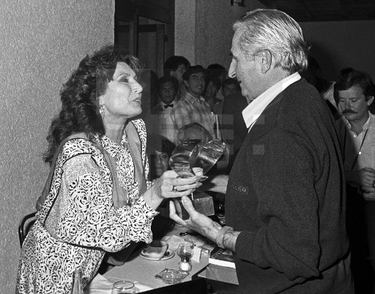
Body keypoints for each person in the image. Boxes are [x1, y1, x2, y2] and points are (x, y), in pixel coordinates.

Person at [170, 9, 353, 293]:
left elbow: (294, 252)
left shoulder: (282, 126)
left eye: (236, 58)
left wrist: (217, 234)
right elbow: (286, 186)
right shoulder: (302, 98)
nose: (231, 71)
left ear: (265, 59)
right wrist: (211, 182)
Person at [16, 45, 201, 294]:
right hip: (55, 268)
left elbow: (134, 200)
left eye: (136, 79)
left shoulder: (135, 132)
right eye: (125, 80)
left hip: (91, 265)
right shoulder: (79, 153)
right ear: (98, 97)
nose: (140, 87)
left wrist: (173, 182)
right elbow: (108, 234)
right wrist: (157, 193)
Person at [335, 70, 375, 293]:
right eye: (341, 100)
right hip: (344, 207)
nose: (346, 106)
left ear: (369, 99)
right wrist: (351, 176)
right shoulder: (332, 129)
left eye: (353, 100)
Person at [170, 65, 216, 144]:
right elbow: (188, 140)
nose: (200, 82)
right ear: (186, 82)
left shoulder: (205, 105)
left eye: (202, 79)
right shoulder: (182, 106)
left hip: (208, 153)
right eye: (195, 79)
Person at [144, 76, 179, 143]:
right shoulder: (152, 113)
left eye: (170, 89)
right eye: (163, 89)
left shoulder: (182, 109)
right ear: (159, 92)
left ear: (175, 91)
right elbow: (149, 135)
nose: (167, 92)